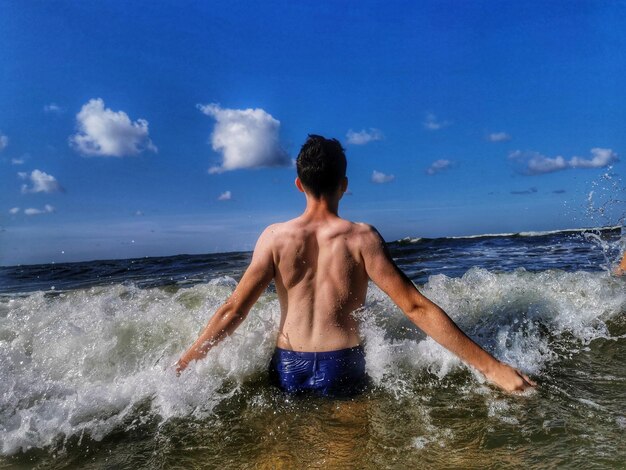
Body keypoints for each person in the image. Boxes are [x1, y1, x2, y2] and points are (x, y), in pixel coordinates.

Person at [176, 135, 536, 395]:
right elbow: (414, 306)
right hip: (342, 365)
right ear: (344, 185)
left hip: (287, 366)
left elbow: (233, 310)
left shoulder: (274, 238)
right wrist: (493, 368)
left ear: (299, 184)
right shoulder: (362, 238)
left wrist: (182, 367)